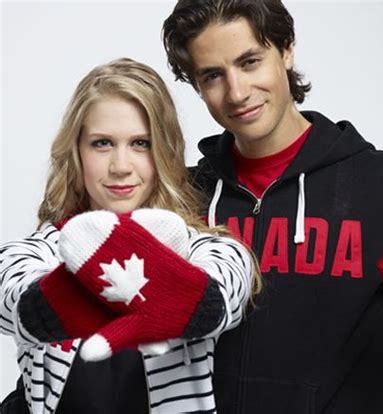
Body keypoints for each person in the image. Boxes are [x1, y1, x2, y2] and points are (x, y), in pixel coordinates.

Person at [162, 1, 383, 413]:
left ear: (286, 50)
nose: (237, 92)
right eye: (213, 76)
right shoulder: (183, 198)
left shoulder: (382, 186)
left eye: (250, 61)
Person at [0, 57, 260, 414]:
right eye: (102, 143)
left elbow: (218, 299)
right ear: (76, 151)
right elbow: (15, 300)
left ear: (164, 152)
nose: (121, 166)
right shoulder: (32, 255)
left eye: (141, 143)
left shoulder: (213, 251)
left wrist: (167, 287)